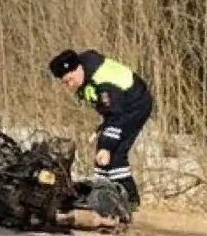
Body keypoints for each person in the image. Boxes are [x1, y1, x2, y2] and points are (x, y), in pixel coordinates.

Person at [48, 48, 153, 209]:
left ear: (78, 69)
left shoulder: (103, 83)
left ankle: (131, 202)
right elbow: (109, 111)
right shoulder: (85, 73)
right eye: (65, 82)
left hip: (135, 105)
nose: (69, 86)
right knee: (103, 155)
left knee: (115, 153)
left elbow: (116, 116)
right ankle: (105, 194)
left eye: (70, 80)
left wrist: (106, 146)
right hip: (119, 108)